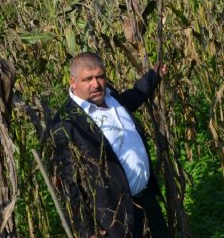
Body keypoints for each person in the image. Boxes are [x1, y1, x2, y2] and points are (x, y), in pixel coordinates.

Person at [50, 52, 170, 238]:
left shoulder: (110, 96)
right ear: (72, 82)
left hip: (147, 203)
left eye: (100, 76)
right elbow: (69, 181)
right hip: (116, 218)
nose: (96, 84)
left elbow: (132, 97)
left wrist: (153, 76)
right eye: (88, 79)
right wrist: (87, 228)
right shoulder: (66, 123)